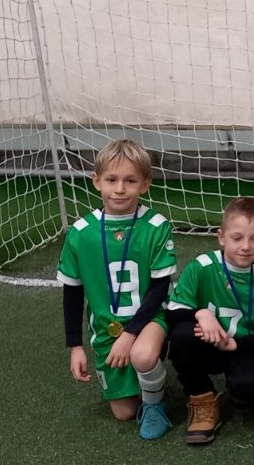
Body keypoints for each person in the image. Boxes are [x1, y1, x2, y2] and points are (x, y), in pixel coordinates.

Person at [57, 138, 176, 440]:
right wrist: (75, 346)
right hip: (107, 329)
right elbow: (72, 292)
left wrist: (130, 335)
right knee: (124, 412)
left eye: (130, 181)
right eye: (112, 180)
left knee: (143, 355)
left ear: (145, 184)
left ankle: (155, 404)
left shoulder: (156, 226)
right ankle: (146, 381)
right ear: (97, 181)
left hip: (149, 320)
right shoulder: (81, 233)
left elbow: (160, 289)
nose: (120, 188)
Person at [166, 197, 254, 445]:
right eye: (237, 238)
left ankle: (239, 388)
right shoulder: (202, 266)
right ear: (221, 237)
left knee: (251, 389)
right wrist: (201, 313)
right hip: (205, 345)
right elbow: (173, 312)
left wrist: (234, 344)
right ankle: (202, 396)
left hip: (239, 348)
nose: (245, 246)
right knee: (181, 335)